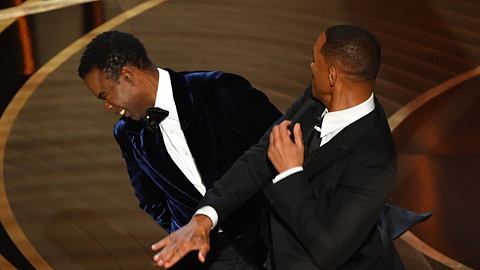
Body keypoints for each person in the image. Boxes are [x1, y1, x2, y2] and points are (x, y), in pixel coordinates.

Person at [151, 25, 422, 270]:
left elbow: (329, 251)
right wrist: (205, 218)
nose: (310, 66)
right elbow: (260, 156)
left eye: (315, 59)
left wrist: (290, 174)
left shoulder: (376, 160)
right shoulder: (317, 98)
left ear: (331, 76)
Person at [77, 31, 282, 269]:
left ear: (128, 75)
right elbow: (150, 199)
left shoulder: (217, 90)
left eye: (106, 95)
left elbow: (283, 144)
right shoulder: (126, 133)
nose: (107, 106)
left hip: (268, 242)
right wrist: (185, 228)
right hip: (206, 259)